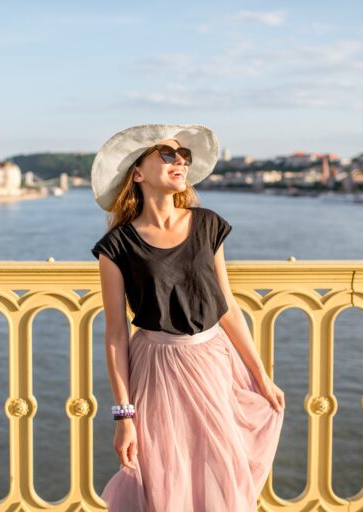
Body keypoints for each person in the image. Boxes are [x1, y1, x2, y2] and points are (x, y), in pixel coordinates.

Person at [90, 124, 285, 511]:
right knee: (168, 480)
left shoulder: (207, 224)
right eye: (167, 154)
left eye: (184, 156)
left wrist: (262, 376)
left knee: (224, 472)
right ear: (138, 173)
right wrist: (123, 415)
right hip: (156, 370)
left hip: (214, 364)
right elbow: (115, 336)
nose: (179, 160)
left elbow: (226, 305)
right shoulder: (116, 246)